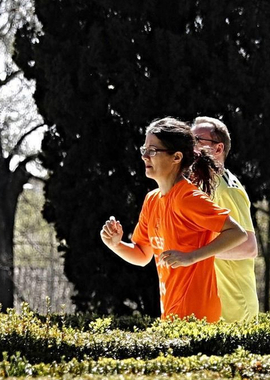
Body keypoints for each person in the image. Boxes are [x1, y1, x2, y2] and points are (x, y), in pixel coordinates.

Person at [99, 117, 250, 323]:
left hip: (199, 319)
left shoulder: (188, 198)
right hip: (171, 317)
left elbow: (238, 233)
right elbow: (143, 255)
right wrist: (115, 245)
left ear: (176, 157)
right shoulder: (151, 200)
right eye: (144, 149)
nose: (144, 156)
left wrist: (193, 257)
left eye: (152, 151)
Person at [191, 116, 261, 323]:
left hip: (234, 307)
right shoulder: (208, 185)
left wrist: (195, 253)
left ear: (218, 148)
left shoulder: (226, 189)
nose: (190, 147)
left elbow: (249, 247)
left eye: (197, 140)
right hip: (216, 305)